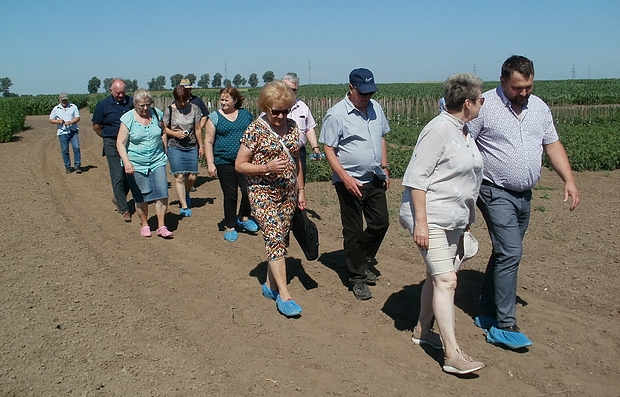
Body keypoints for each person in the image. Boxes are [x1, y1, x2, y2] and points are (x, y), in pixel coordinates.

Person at [467, 55, 580, 349]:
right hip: (493, 191)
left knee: (505, 252)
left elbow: (552, 144)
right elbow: (465, 145)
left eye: (528, 86)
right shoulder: (485, 106)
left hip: (524, 195)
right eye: (518, 87)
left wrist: (568, 179)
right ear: (503, 81)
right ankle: (504, 325)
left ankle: (487, 311)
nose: (524, 93)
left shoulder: (539, 108)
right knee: (511, 251)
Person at [400, 72, 485, 375]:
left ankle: (422, 331)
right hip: (431, 218)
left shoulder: (464, 132)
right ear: (467, 103)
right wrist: (421, 225)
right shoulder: (438, 130)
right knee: (447, 281)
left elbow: (464, 179)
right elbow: (416, 181)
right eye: (480, 99)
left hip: (453, 219)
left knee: (435, 278)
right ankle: (452, 354)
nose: (482, 103)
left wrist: (466, 219)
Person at [235, 80, 306, 317]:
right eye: (276, 111)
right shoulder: (255, 130)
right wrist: (266, 167)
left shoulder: (294, 126)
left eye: (285, 110)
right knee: (274, 236)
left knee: (281, 239)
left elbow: (296, 160)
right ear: (266, 108)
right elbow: (240, 165)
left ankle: (269, 284)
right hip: (261, 192)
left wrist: (301, 190)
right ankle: (284, 295)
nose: (280, 115)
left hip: (287, 192)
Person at [319, 68, 390, 301]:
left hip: (374, 177)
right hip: (349, 181)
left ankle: (360, 258)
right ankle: (357, 278)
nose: (367, 97)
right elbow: (329, 149)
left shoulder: (376, 108)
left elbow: (381, 137)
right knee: (353, 231)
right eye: (363, 93)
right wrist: (345, 177)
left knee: (380, 223)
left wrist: (385, 167)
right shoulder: (336, 114)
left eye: (370, 93)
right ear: (351, 88)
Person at [116, 89, 173, 239]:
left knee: (162, 192)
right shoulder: (127, 119)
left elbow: (163, 131)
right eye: (142, 105)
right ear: (135, 104)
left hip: (157, 160)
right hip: (136, 163)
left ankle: (161, 225)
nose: (145, 108)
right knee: (142, 195)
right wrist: (127, 163)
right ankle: (145, 224)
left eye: (148, 104)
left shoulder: (157, 114)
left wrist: (164, 147)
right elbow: (120, 143)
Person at [204, 87, 258, 242]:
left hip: (245, 160)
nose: (223, 102)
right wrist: (210, 163)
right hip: (224, 162)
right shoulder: (214, 117)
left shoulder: (245, 115)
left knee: (248, 191)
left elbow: (254, 134)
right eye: (222, 99)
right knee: (230, 194)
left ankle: (244, 217)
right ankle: (230, 226)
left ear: (235, 100)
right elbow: (208, 142)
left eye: (227, 99)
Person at [92, 79, 134, 222]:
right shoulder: (103, 105)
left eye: (123, 92)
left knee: (130, 174)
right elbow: (96, 126)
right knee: (117, 176)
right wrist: (106, 137)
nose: (121, 95)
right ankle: (124, 209)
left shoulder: (131, 102)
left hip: (129, 143)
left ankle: (118, 198)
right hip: (111, 143)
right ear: (111, 91)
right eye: (118, 93)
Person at [163, 85, 203, 217]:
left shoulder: (195, 109)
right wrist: (175, 134)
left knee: (192, 176)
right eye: (180, 101)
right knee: (179, 176)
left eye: (185, 100)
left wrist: (201, 146)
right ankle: (184, 205)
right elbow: (164, 129)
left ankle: (185, 193)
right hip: (175, 146)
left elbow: (197, 128)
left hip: (191, 146)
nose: (183, 103)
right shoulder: (170, 110)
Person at [281, 73, 322, 182]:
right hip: (280, 152)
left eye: (293, 89)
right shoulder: (273, 106)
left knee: (300, 184)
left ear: (297, 90)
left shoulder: (302, 107)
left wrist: (315, 147)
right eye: (287, 88)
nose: (289, 92)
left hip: (299, 151)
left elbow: (309, 128)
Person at [49, 92, 81, 174]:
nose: (64, 101)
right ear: (59, 100)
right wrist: (58, 121)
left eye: (65, 100)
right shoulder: (56, 109)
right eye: (63, 100)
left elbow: (77, 117)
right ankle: (68, 167)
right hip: (62, 132)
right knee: (65, 150)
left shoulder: (73, 107)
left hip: (73, 131)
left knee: (76, 148)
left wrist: (70, 122)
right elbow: (51, 119)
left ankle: (77, 166)